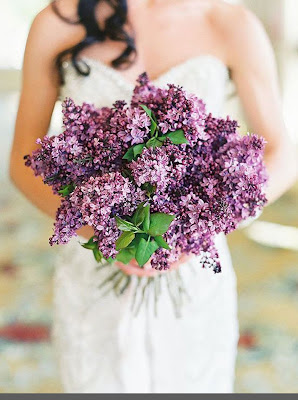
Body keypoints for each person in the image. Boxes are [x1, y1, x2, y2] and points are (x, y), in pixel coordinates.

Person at [9, 0, 297, 393]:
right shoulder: (59, 20)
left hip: (193, 264)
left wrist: (201, 225)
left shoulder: (232, 24)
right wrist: (107, 231)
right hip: (91, 259)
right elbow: (25, 157)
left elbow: (281, 153)